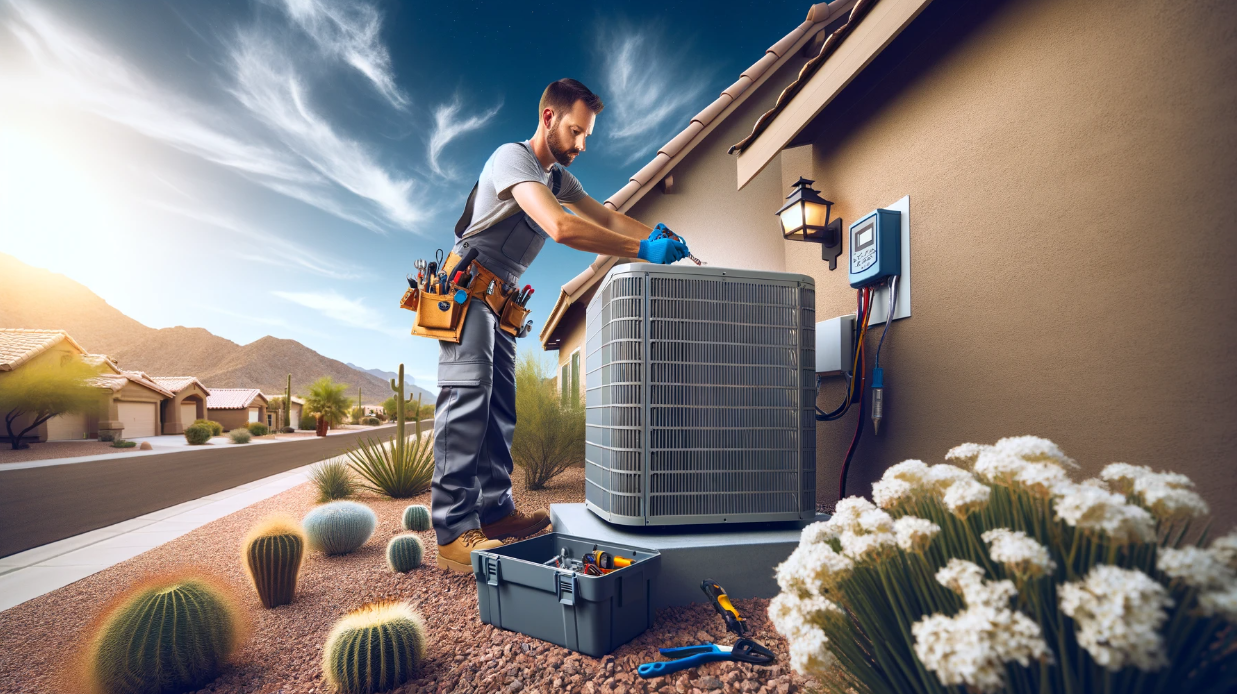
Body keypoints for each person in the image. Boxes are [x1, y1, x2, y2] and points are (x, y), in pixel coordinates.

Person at [432, 78, 690, 571]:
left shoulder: (557, 179)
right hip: (466, 289)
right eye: (575, 131)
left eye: (587, 135)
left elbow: (608, 219)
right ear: (548, 118)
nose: (581, 144)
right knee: (466, 399)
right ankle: (451, 532)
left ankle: (495, 513)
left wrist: (657, 235)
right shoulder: (513, 159)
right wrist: (643, 251)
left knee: (500, 408)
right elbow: (562, 226)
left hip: (500, 301)